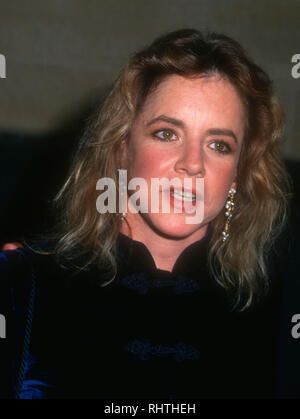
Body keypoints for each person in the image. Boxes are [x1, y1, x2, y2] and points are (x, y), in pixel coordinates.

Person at [0, 28, 296, 399]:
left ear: (239, 171)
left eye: (219, 144)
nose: (193, 164)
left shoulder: (273, 312)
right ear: (122, 148)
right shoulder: (20, 284)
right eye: (167, 133)